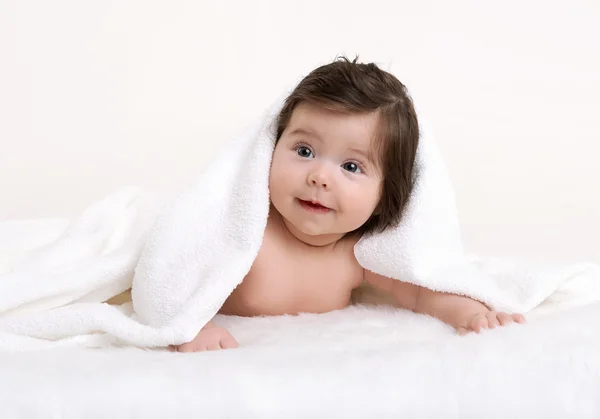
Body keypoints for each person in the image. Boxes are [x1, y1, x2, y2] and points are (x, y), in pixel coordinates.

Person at [173, 56, 525, 352]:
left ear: (385, 197)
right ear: (269, 149)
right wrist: (191, 327)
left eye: (351, 166)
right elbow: (177, 270)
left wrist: (473, 314)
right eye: (304, 151)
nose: (320, 176)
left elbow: (422, 291)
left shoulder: (358, 255)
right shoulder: (246, 232)